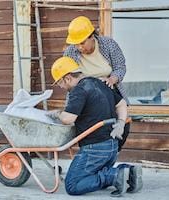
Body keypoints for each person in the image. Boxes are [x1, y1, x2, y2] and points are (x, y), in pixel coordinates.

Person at [47, 56, 142, 197]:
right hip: (112, 146)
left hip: (95, 149)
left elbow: (68, 119)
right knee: (91, 174)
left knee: (73, 185)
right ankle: (129, 171)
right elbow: (121, 103)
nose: (61, 87)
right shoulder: (100, 83)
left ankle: (114, 176)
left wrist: (57, 113)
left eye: (60, 83)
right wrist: (121, 123)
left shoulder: (79, 90)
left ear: (67, 78)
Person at [63, 16, 130, 152]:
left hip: (109, 92)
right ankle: (92, 156)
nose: (79, 47)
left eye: (82, 43)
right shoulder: (70, 52)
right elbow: (68, 76)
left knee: (120, 129)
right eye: (76, 44)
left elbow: (120, 67)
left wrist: (112, 79)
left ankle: (111, 156)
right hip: (86, 96)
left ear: (91, 36)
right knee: (89, 132)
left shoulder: (108, 45)